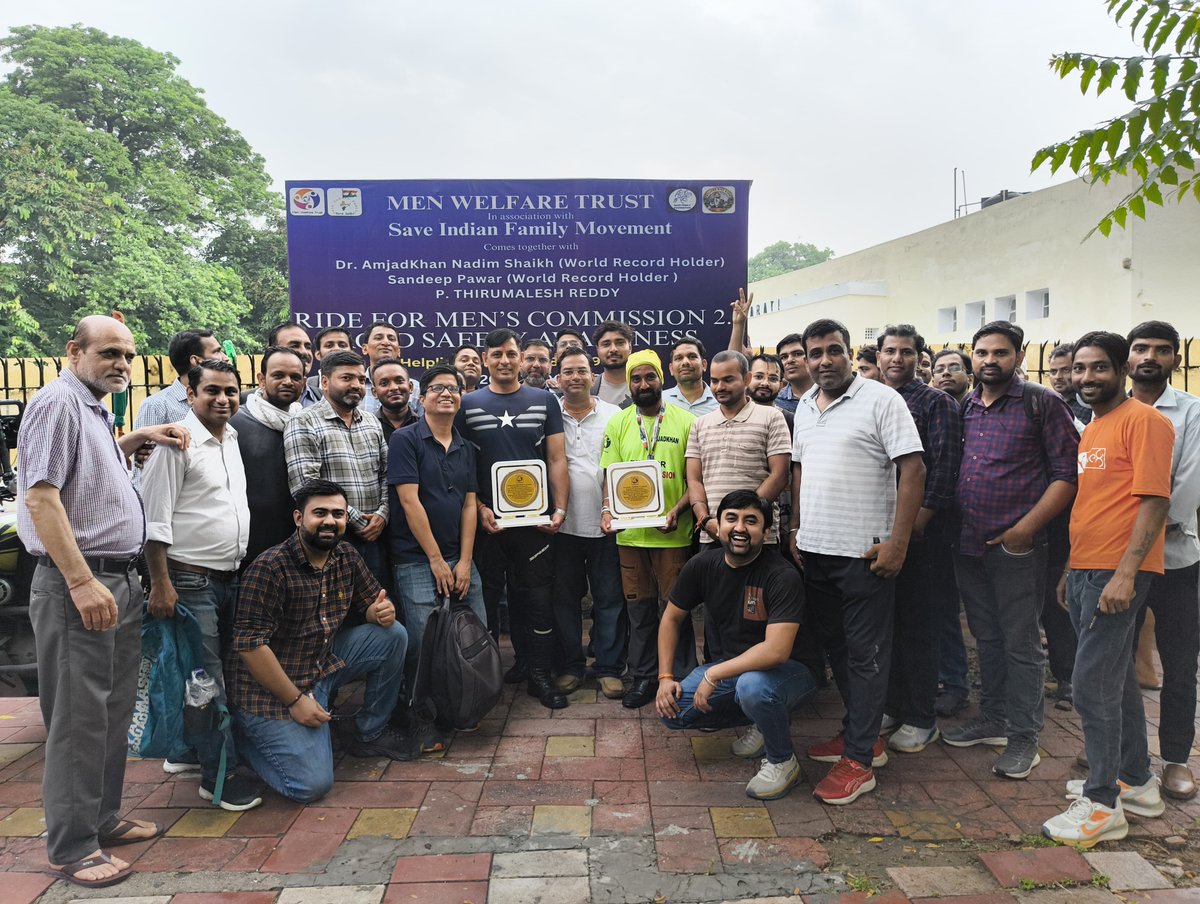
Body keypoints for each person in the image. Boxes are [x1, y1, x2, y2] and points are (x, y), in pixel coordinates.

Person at [18, 315, 190, 888]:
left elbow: (84, 473)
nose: (122, 363)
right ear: (75, 351)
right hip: (81, 583)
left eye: (129, 355)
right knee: (78, 719)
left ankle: (101, 819)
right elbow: (42, 499)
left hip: (116, 580)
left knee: (112, 712)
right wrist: (80, 581)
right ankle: (73, 846)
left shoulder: (92, 407)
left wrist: (135, 440)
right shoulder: (56, 403)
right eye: (110, 352)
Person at [1042, 331, 1173, 846]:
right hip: (1086, 568)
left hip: (1116, 574)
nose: (1086, 377)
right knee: (1114, 682)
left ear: (1122, 369)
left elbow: (1155, 501)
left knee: (1091, 684)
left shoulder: (1145, 421)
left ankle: (1102, 805)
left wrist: (1125, 573)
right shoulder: (1095, 426)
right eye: (1079, 368)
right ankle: (1135, 782)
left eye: (1099, 367)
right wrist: (1070, 568)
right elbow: (1096, 503)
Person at [790, 318, 925, 805]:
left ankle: (860, 762)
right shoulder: (805, 404)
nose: (824, 360)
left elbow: (914, 469)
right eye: (815, 353)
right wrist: (796, 529)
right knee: (839, 650)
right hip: (816, 551)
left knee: (866, 656)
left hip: (865, 555)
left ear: (849, 353)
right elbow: (800, 470)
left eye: (833, 350)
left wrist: (898, 543)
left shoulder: (882, 399)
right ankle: (860, 736)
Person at [943, 321, 1079, 780]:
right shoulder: (967, 406)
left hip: (1017, 547)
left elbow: (1067, 476)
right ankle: (994, 719)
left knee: (1022, 644)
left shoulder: (1043, 403)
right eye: (982, 353)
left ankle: (1024, 737)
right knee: (988, 637)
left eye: (1000, 353)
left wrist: (1025, 530)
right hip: (968, 543)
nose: (989, 361)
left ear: (1019, 356)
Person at [227, 480, 412, 803]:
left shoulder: (345, 555)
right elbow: (250, 646)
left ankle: (370, 732)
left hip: (319, 665)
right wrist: (295, 701)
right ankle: (241, 737)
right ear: (299, 518)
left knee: (393, 634)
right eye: (320, 513)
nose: (330, 521)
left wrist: (379, 612)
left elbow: (372, 603)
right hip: (270, 689)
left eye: (338, 514)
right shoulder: (270, 567)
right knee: (310, 785)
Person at [141, 359, 263, 810]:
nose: (223, 399)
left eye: (231, 391)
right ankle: (219, 778)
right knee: (207, 682)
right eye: (212, 390)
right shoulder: (175, 445)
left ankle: (188, 751)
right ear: (190, 394)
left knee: (207, 676)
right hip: (190, 580)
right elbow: (154, 522)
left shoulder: (231, 439)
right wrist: (161, 583)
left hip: (228, 577)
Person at [656, 490, 819, 800]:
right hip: (737, 669)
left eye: (751, 521)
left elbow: (776, 652)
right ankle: (761, 720)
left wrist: (713, 674)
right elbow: (671, 619)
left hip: (794, 671)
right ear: (718, 525)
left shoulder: (782, 575)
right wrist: (665, 677)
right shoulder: (703, 565)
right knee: (671, 711)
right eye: (731, 518)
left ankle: (783, 761)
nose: (740, 528)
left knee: (753, 687)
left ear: (766, 532)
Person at [457, 327, 570, 709]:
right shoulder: (467, 404)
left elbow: (556, 458)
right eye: (496, 355)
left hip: (535, 523)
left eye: (510, 353)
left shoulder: (545, 400)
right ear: (485, 360)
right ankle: (486, 679)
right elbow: (462, 464)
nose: (504, 361)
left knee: (536, 599)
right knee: (487, 602)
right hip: (487, 524)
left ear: (520, 357)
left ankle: (538, 673)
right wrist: (480, 508)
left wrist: (560, 509)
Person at [875, 325, 961, 754]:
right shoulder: (873, 398)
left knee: (919, 628)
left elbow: (942, 472)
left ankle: (922, 717)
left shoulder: (935, 402)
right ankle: (894, 705)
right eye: (889, 351)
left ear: (918, 358)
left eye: (906, 352)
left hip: (922, 538)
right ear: (877, 356)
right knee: (888, 627)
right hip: (880, 531)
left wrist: (909, 531)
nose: (897, 359)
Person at [1125, 320, 1200, 799]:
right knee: (1114, 661)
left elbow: (1188, 486)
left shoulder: (1191, 412)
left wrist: (1143, 530)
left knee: (1179, 663)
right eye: (1140, 348)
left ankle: (1175, 759)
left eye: (1161, 349)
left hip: (1176, 560)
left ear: (1176, 357)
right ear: (1127, 357)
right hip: (1120, 562)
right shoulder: (1109, 410)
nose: (1150, 356)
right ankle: (1119, 746)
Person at [600, 350, 698, 708]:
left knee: (676, 607)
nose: (644, 384)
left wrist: (677, 510)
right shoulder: (618, 423)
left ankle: (682, 676)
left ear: (662, 378)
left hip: (673, 534)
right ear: (629, 384)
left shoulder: (687, 421)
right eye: (636, 379)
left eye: (650, 377)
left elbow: (696, 480)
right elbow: (610, 475)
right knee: (639, 610)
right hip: (630, 536)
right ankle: (643, 676)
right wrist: (607, 510)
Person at [388, 365, 487, 707]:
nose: (446, 393)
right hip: (416, 560)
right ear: (421, 398)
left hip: (460, 558)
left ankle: (469, 703)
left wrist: (465, 561)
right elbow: (409, 501)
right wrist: (435, 559)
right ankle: (424, 712)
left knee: (475, 632)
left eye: (453, 388)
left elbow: (470, 505)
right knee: (423, 641)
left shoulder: (466, 446)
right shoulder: (405, 440)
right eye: (437, 388)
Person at [284, 350, 390, 592]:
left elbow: (387, 473)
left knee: (375, 604)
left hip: (376, 535)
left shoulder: (372, 422)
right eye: (346, 378)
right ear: (324, 382)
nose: (356, 385)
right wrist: (355, 520)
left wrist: (382, 515)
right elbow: (306, 486)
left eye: (361, 379)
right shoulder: (303, 422)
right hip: (329, 538)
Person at [553, 346, 623, 694]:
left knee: (609, 600)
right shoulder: (548, 414)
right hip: (561, 527)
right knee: (564, 601)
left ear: (592, 376)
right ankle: (571, 665)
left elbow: (621, 466)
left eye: (582, 370)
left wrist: (613, 509)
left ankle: (608, 667)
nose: (576, 377)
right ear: (558, 379)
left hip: (605, 524)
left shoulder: (615, 414)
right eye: (568, 371)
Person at [686, 351, 790, 549]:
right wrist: (706, 520)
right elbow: (694, 480)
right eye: (714, 381)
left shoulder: (772, 417)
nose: (720, 387)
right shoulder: (699, 425)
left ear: (746, 379)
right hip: (712, 535)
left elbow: (779, 475)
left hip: (757, 536)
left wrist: (738, 522)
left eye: (728, 380)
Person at [230, 347, 307, 565]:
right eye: (278, 375)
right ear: (262, 380)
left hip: (296, 545)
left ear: (303, 382)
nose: (287, 382)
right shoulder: (234, 422)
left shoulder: (307, 423)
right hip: (247, 549)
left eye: (295, 377)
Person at [929, 346, 973, 716]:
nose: (945, 373)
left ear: (969, 376)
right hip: (939, 526)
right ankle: (945, 679)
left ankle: (956, 682)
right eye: (940, 368)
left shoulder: (976, 412)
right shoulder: (933, 409)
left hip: (972, 526)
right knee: (940, 607)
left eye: (954, 367)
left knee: (953, 610)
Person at [134, 329, 227, 428]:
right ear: (195, 360)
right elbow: (142, 438)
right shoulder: (156, 406)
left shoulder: (226, 402)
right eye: (217, 352)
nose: (225, 358)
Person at [663, 336, 717, 415]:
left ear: (704, 365)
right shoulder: (660, 402)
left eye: (692, 357)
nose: (685, 362)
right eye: (679, 358)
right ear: (671, 369)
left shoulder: (720, 401)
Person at [358, 323, 403, 416]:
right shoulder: (354, 387)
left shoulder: (415, 389)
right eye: (378, 338)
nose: (386, 343)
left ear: (399, 351)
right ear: (365, 349)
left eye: (391, 339)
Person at [301, 326, 353, 407]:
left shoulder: (361, 386)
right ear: (318, 354)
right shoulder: (305, 386)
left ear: (351, 352)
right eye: (329, 345)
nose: (336, 349)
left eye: (342, 345)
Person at [371, 357, 417, 442]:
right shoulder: (368, 427)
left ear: (410, 387)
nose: (394, 387)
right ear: (375, 392)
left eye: (399, 381)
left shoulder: (425, 426)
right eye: (384, 383)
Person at [1048, 343, 1093, 427]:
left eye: (1065, 370)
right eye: (1053, 371)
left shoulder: (1090, 403)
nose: (1058, 377)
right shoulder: (1047, 402)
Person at [591, 319, 633, 406]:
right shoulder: (589, 389)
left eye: (620, 343)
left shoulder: (645, 386)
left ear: (630, 347)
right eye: (606, 344)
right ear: (597, 349)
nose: (613, 349)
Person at [773, 332, 813, 416]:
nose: (789, 360)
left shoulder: (831, 394)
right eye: (784, 357)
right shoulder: (775, 402)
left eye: (798, 354)